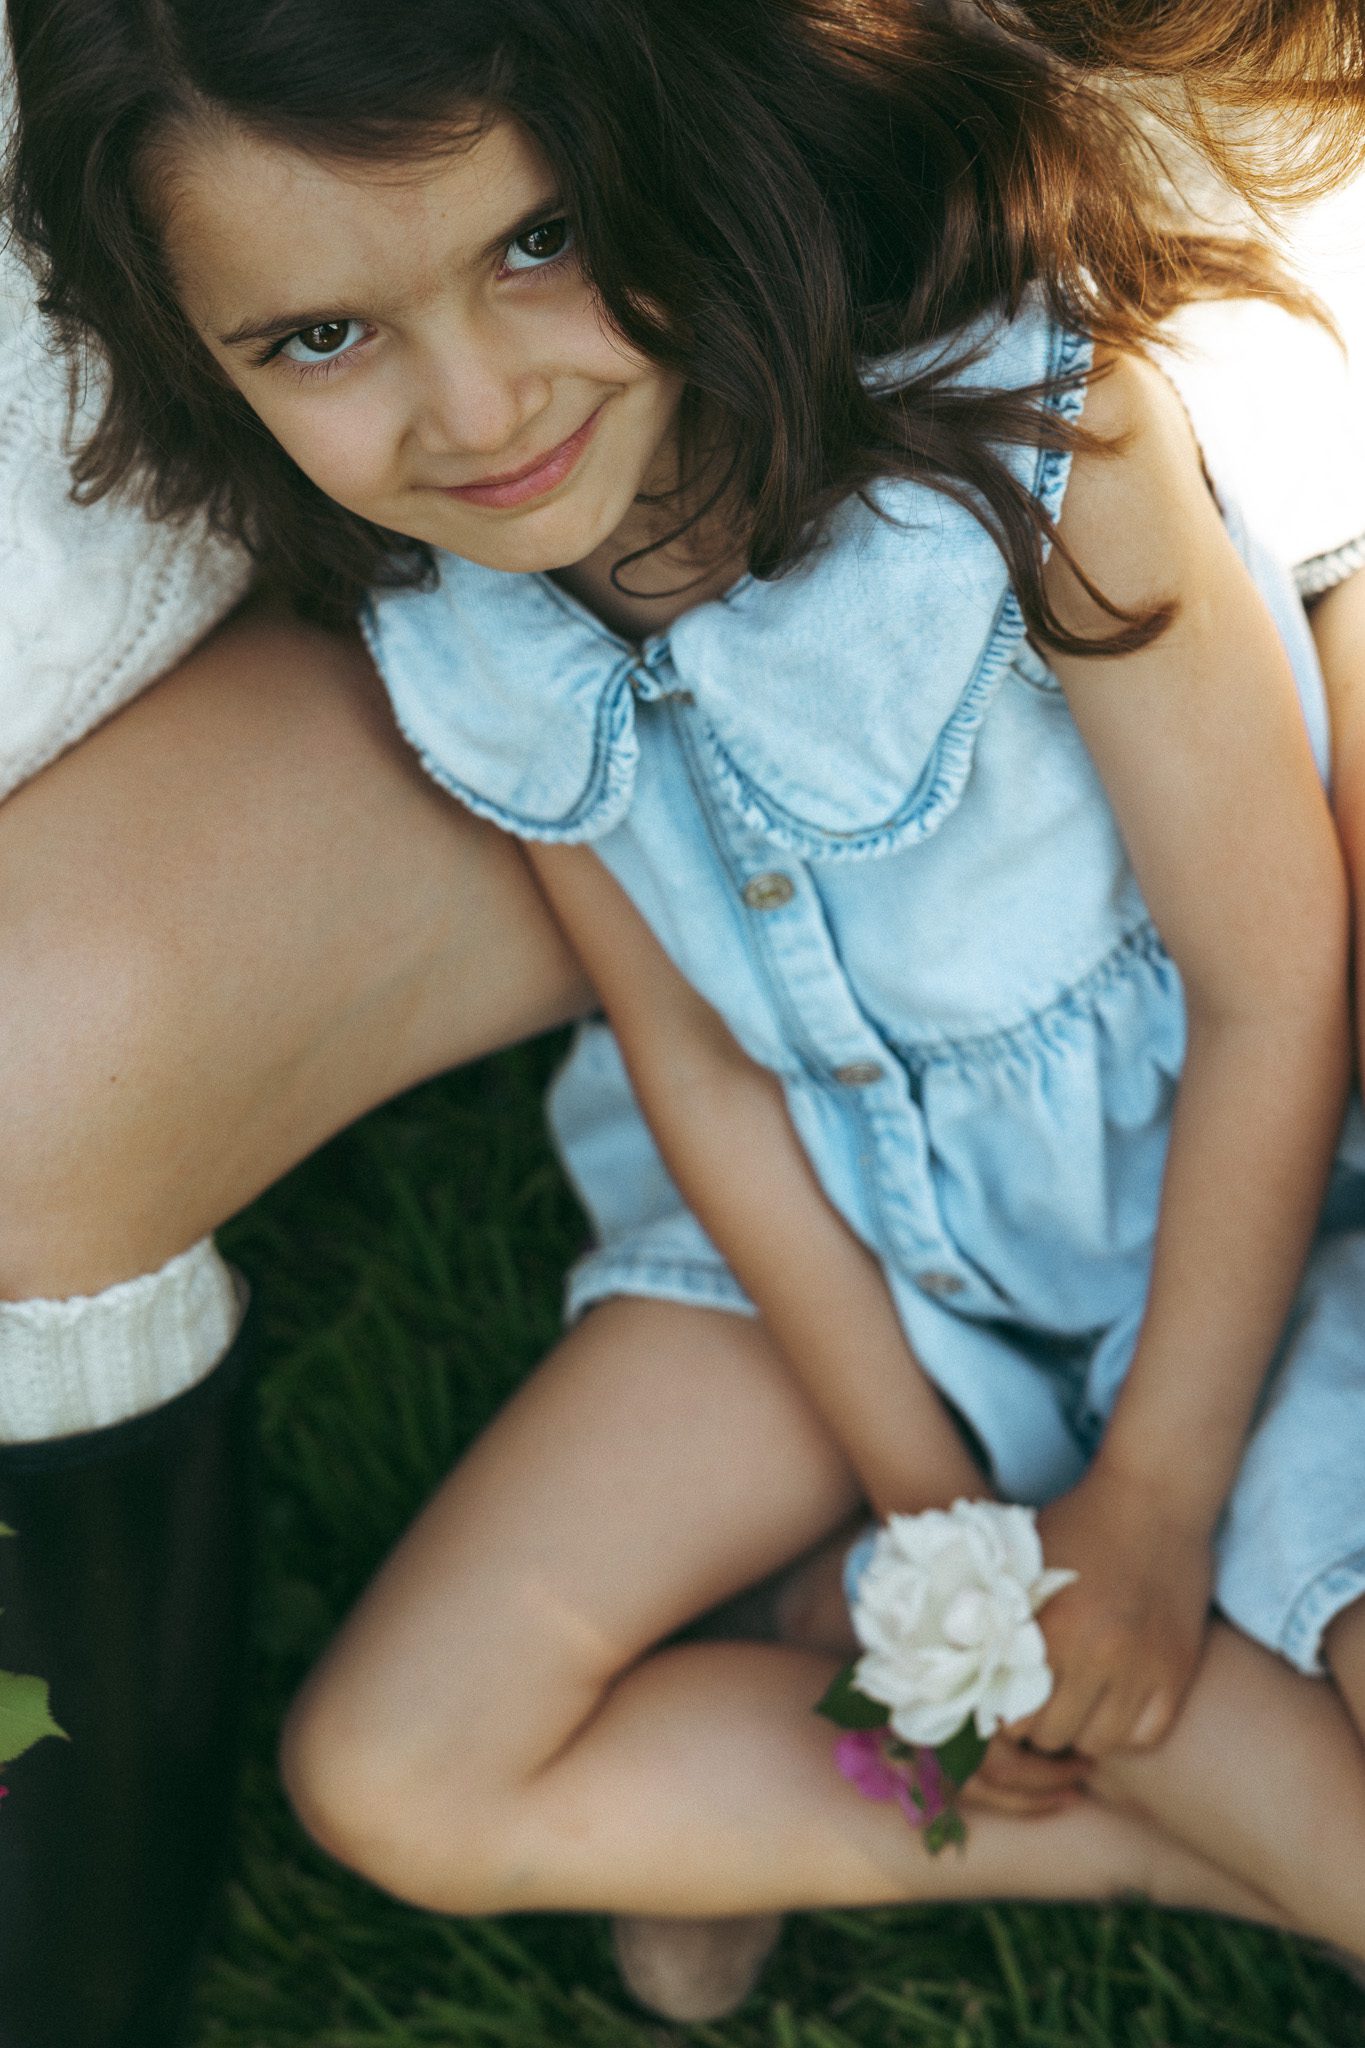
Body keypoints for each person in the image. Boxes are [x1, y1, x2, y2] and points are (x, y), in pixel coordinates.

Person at [4, 2, 1365, 2045]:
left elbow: (1274, 988)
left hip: (1222, 1203)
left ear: (654, 141)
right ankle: (1141, 1801)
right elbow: (704, 1075)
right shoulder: (442, 614)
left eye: (531, 245)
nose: (472, 410)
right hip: (823, 1243)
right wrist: (945, 1523)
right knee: (395, 1772)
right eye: (317, 339)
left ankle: (979, 1703)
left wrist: (1153, 1503)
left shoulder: (1040, 425)